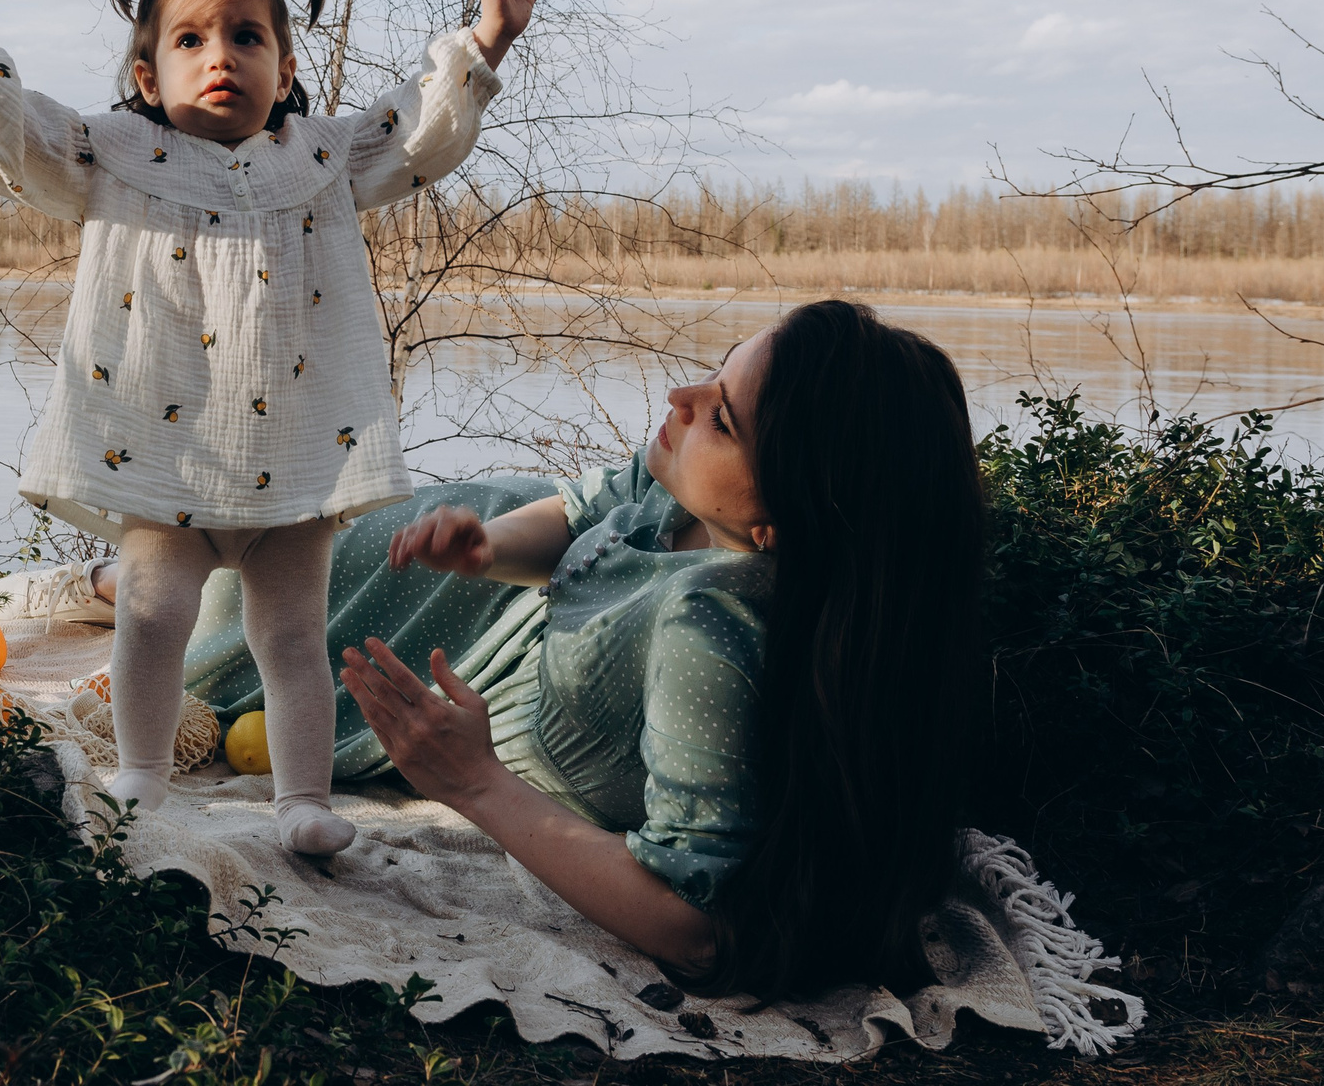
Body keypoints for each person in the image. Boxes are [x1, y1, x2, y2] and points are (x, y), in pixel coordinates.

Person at [0, 0, 548, 856]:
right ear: (148, 76)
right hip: (161, 447)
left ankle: (303, 799)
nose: (219, 54)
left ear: (288, 67)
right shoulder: (112, 153)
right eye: (189, 40)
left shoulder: (322, 156)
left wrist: (487, 38)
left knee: (293, 639)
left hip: (296, 455)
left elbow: (417, 133)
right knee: (152, 618)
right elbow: (19, 145)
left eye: (246, 36)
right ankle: (140, 774)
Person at [67, 298, 987, 998]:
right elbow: (589, 511)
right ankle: (118, 580)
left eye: (721, 417)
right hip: (473, 596)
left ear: (787, 524)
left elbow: (703, 932)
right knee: (274, 556)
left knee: (244, 624)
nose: (680, 397)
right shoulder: (699, 491)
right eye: (714, 375)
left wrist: (473, 785)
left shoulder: (713, 627)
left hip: (482, 681)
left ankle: (121, 586)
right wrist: (489, 549)